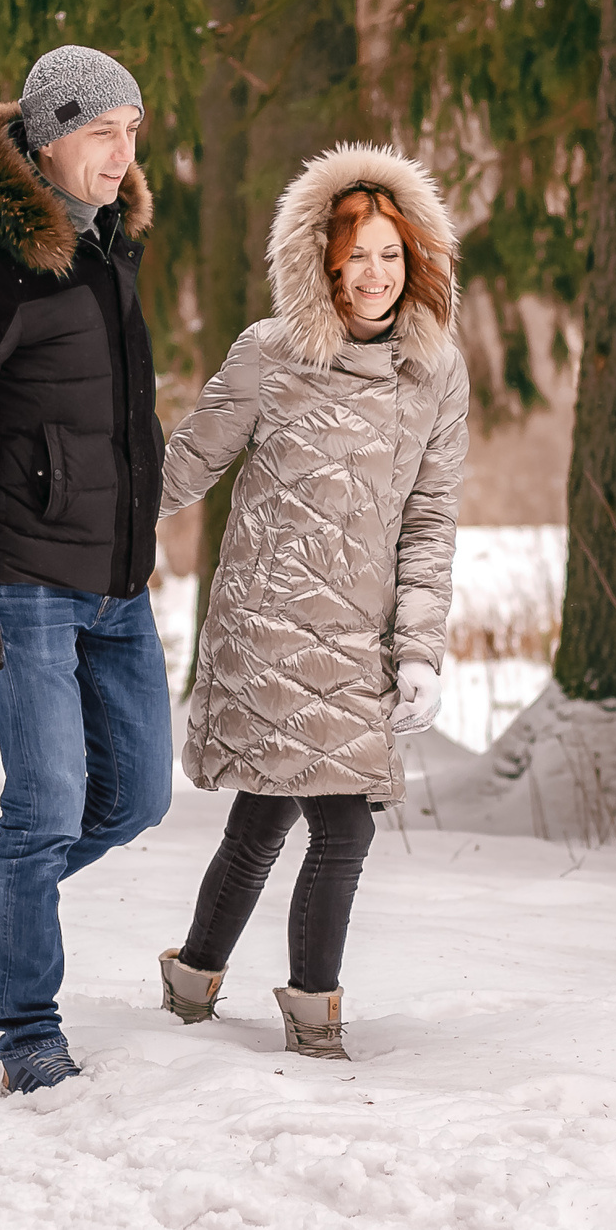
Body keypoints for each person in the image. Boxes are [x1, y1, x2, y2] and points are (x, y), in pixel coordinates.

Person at [0, 45, 174, 1094]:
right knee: (48, 806)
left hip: (116, 582)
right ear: (49, 138)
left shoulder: (112, 252)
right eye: (103, 132)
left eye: (132, 131)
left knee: (137, 796)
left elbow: (119, 427)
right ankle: (26, 1027)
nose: (123, 152)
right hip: (22, 579)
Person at [151, 145, 468, 1061]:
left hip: (358, 632)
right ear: (321, 260)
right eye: (356, 254)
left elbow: (431, 516)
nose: (374, 275)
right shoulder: (270, 353)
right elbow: (189, 466)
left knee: (264, 815)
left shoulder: (436, 372)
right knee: (343, 818)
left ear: (418, 261)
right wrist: (89, 527)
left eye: (392, 256)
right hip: (268, 622)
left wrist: (417, 649)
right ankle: (315, 1018)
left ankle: (192, 977)